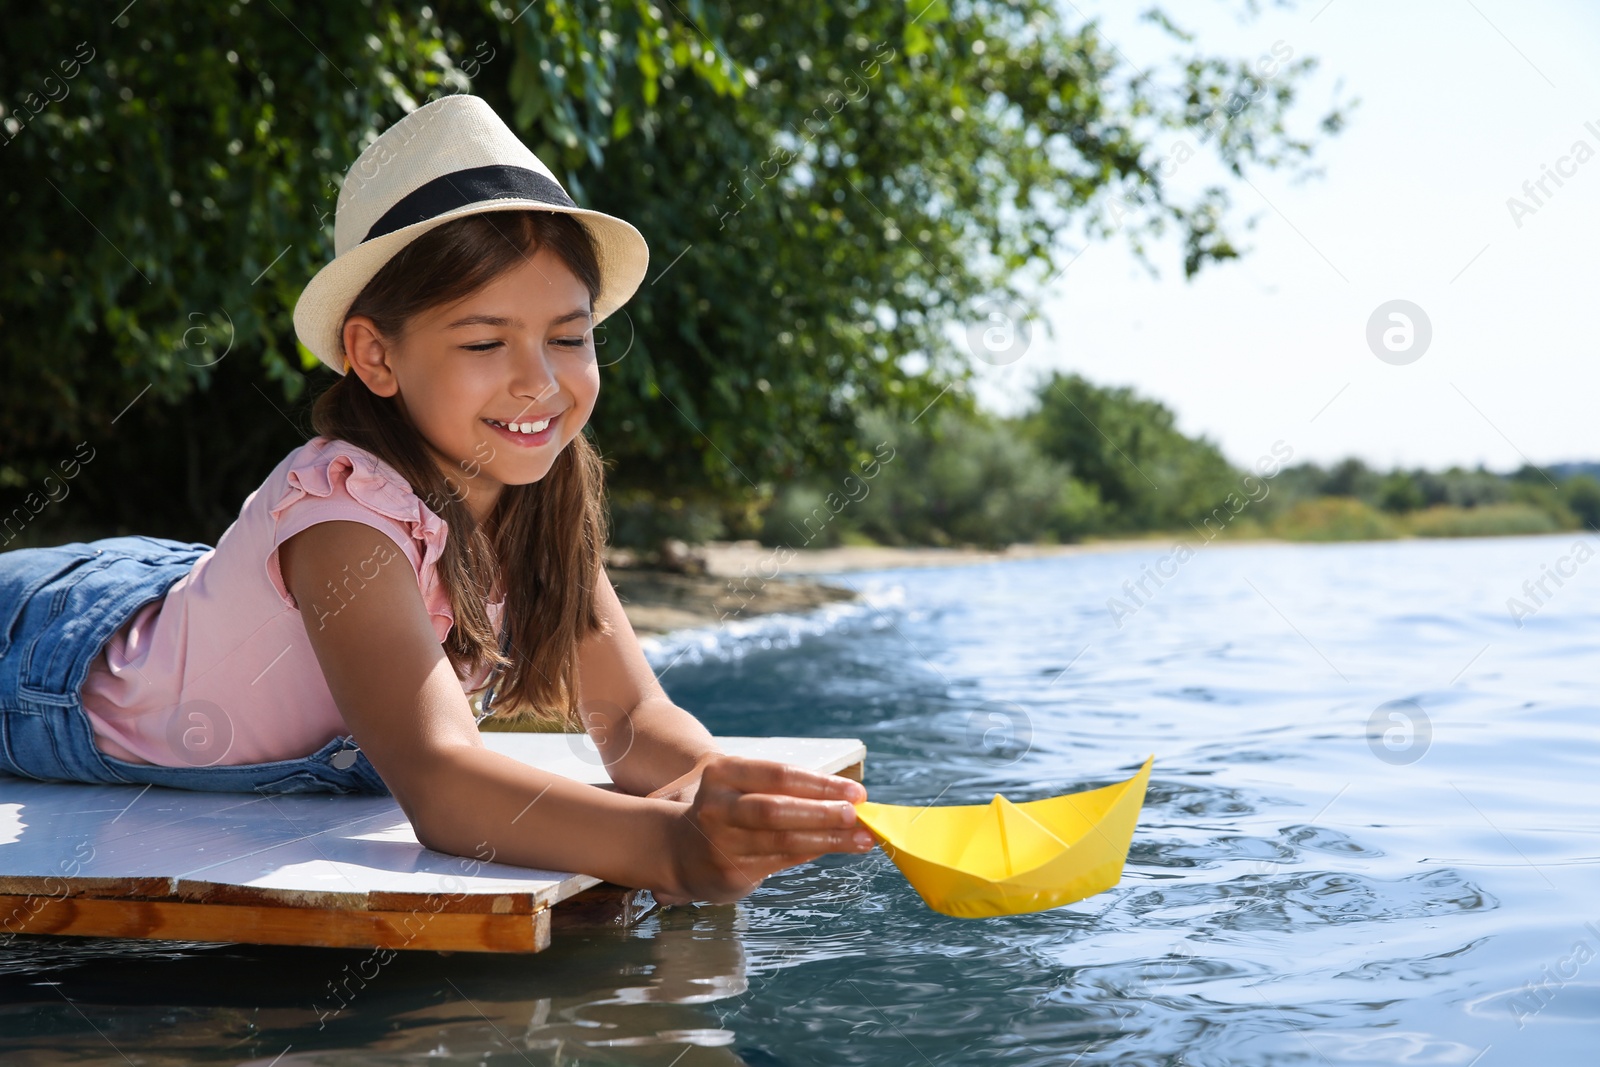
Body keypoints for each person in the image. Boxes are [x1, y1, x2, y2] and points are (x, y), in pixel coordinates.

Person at [0, 93, 873, 907]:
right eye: (486, 340)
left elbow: (634, 717)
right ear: (376, 358)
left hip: (188, 596)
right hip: (53, 666)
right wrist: (669, 847)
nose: (540, 381)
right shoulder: (343, 518)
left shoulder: (543, 501)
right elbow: (441, 777)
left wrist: (722, 789)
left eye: (570, 337)